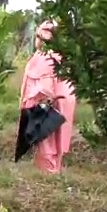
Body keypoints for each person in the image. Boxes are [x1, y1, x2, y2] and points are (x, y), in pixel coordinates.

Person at [19, 20, 77, 174]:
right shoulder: (59, 56)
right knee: (53, 140)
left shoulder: (44, 58)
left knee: (47, 140)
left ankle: (49, 171)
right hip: (60, 105)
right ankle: (52, 169)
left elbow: (45, 86)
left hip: (48, 107)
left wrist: (44, 101)